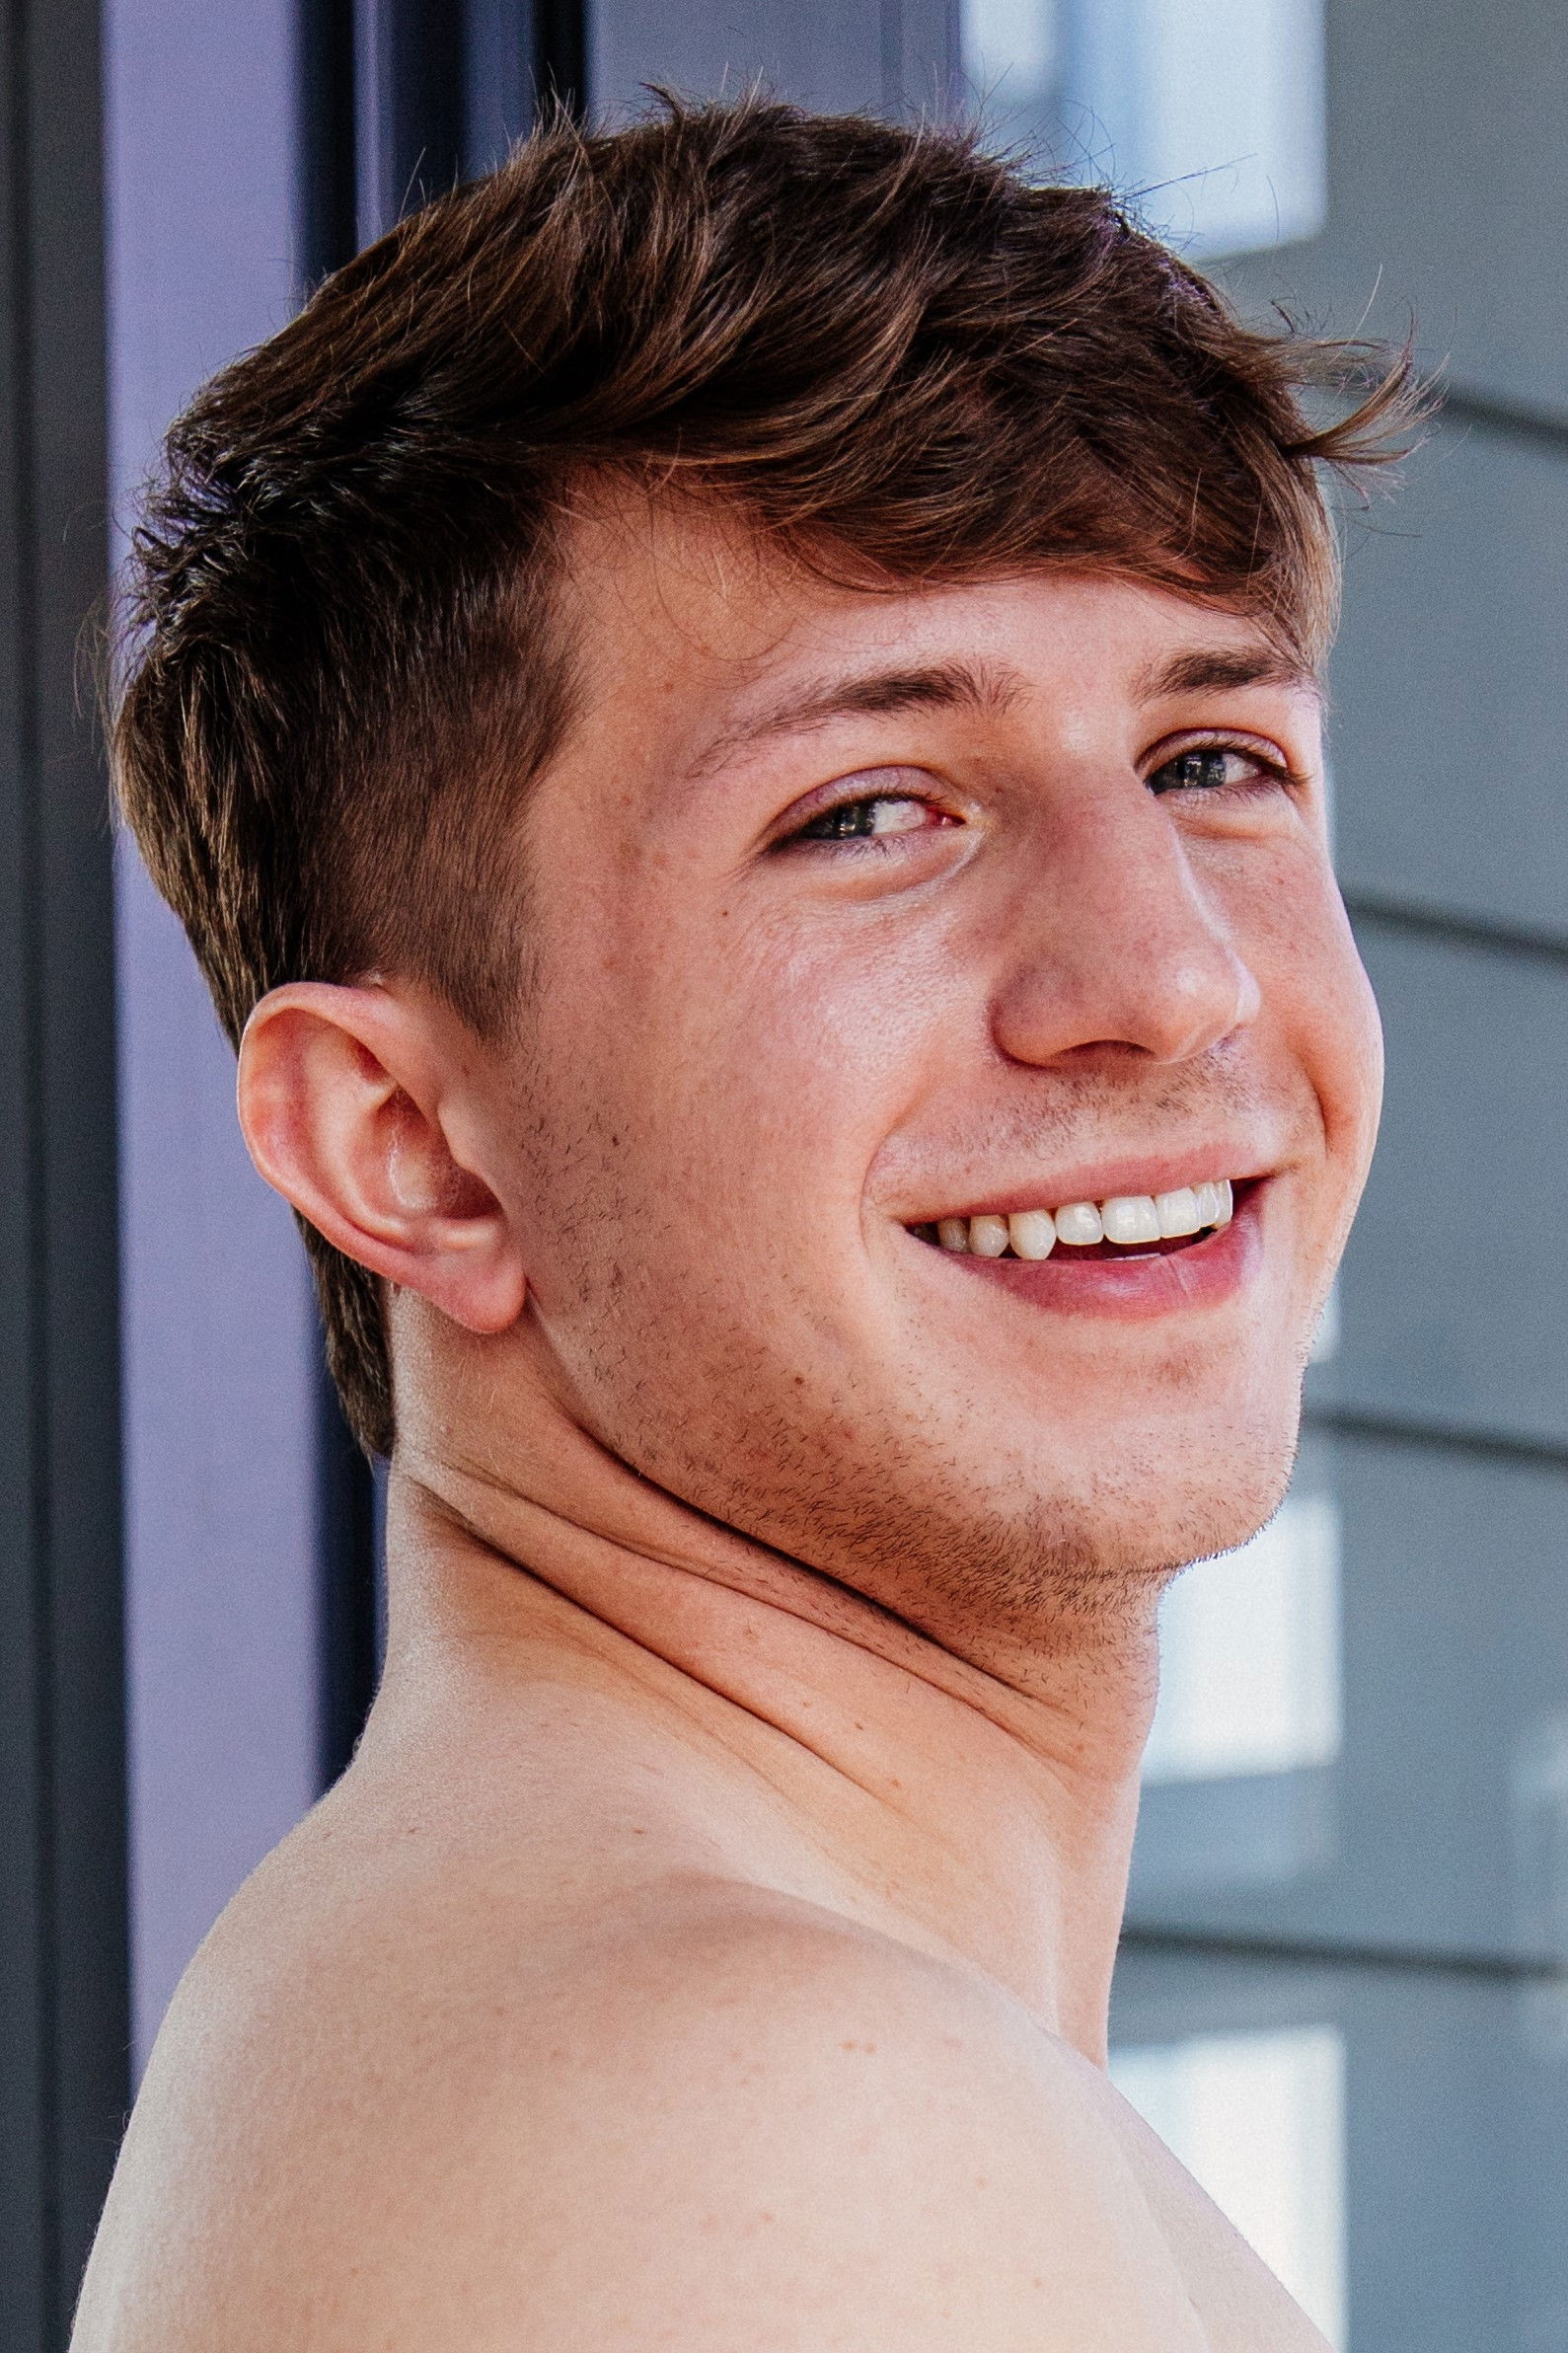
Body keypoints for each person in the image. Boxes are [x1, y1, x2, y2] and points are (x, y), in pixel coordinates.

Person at [74, 97, 1408, 2351]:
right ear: (407, 1142)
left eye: (1213, 763)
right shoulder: (753, 2108)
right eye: (870, 810)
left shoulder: (657, 2034)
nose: (1170, 976)